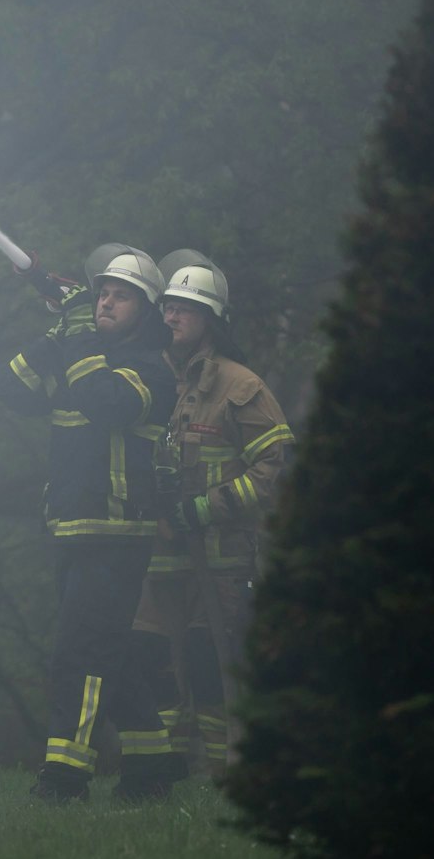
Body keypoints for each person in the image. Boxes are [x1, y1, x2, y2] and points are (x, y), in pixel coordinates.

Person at [0, 246, 183, 802]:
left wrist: (77, 334)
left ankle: (65, 778)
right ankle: (152, 768)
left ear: (147, 312)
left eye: (120, 295)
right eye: (101, 292)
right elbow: (8, 389)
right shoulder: (82, 357)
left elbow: (104, 402)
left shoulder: (151, 370)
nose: (105, 300)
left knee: (78, 654)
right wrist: (60, 329)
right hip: (73, 529)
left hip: (116, 536)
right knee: (109, 651)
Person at [132, 253, 294, 778]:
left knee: (209, 665)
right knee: (160, 667)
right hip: (159, 557)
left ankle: (221, 775)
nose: (172, 316)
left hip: (221, 560)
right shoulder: (150, 379)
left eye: (185, 308)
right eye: (169, 307)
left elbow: (273, 469)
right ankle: (170, 771)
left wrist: (204, 508)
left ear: (211, 320)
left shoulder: (240, 386)